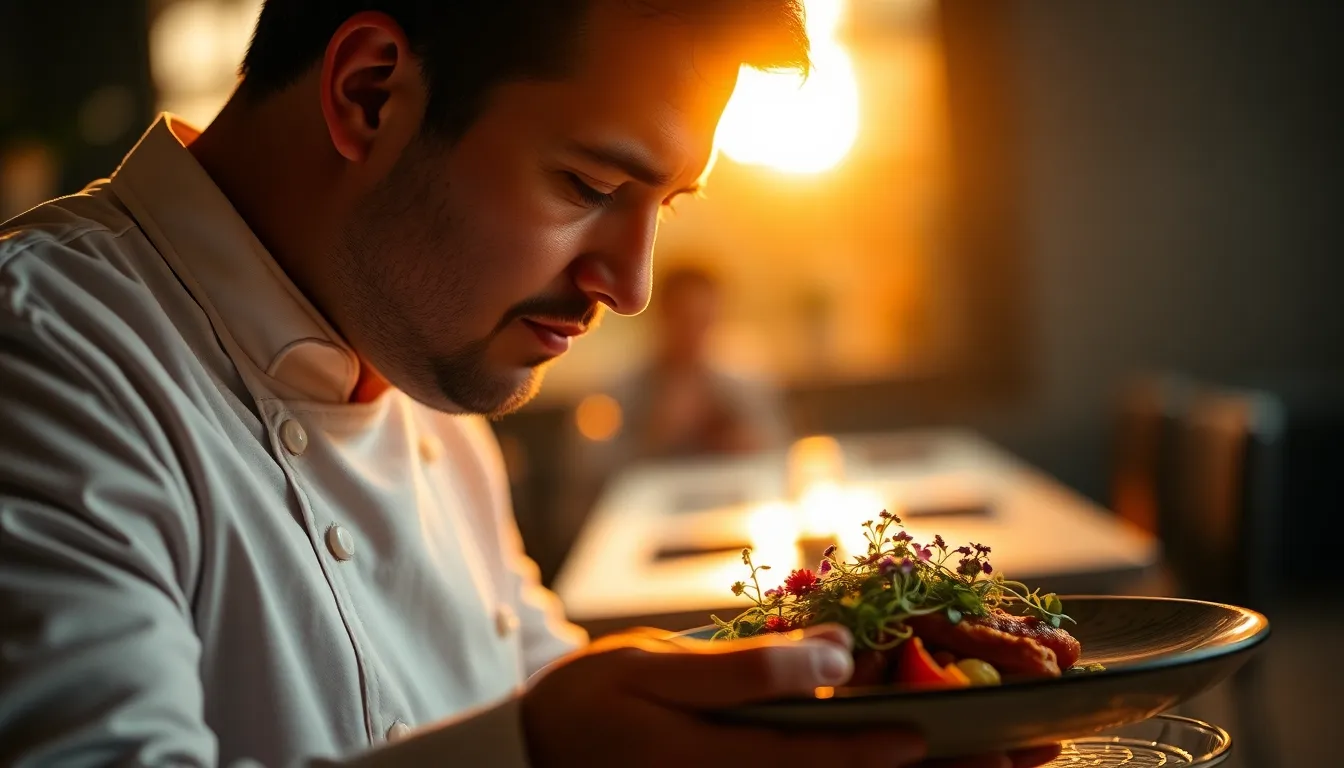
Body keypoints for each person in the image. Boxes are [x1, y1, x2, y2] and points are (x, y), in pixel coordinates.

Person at [0, 2, 1058, 767]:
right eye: (590, 185)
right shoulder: (43, 350)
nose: (632, 288)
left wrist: (843, 702)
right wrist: (536, 756)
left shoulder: (432, 382)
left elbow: (547, 694)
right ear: (369, 93)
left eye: (665, 206)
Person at [616, 264, 791, 459]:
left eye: (704, 320)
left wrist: (748, 442)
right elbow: (599, 464)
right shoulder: (625, 392)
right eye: (684, 319)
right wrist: (655, 434)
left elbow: (779, 447)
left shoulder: (742, 389)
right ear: (661, 316)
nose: (693, 333)